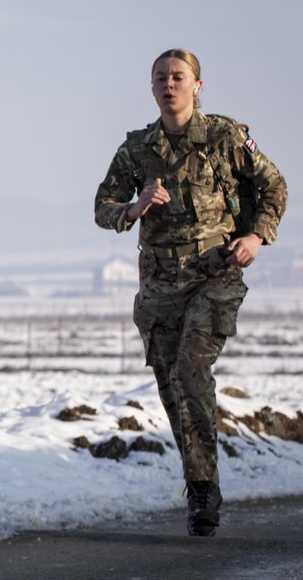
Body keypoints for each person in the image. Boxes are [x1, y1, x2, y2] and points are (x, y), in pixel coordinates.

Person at [94, 48, 287, 537]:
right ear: (152, 87)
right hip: (159, 282)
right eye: (160, 77)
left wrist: (256, 237)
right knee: (170, 385)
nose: (169, 85)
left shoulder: (225, 137)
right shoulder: (137, 149)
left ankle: (202, 490)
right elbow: (103, 206)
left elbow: (274, 187)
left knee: (189, 369)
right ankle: (199, 479)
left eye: (178, 77)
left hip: (214, 274)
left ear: (197, 86)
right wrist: (135, 207)